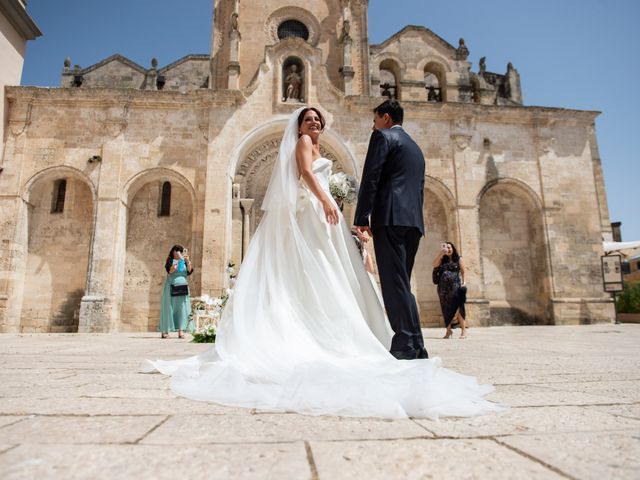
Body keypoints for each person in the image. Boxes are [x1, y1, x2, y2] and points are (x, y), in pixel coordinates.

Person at [142, 107, 503, 419]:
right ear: (299, 126)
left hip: (322, 213)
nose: (313, 123)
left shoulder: (316, 144)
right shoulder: (302, 145)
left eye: (317, 119)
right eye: (308, 119)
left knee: (329, 272)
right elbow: (306, 176)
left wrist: (336, 195)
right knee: (317, 269)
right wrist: (329, 200)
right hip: (314, 211)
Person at [353, 99, 428, 361]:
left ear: (385, 118)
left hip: (390, 218)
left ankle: (404, 344)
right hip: (413, 223)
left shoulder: (383, 137)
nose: (374, 126)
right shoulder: (415, 148)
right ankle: (417, 342)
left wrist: (362, 215)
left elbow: (371, 176)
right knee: (402, 283)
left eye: (375, 120)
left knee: (393, 283)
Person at [433, 242, 467, 339]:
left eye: (449, 247)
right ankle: (448, 331)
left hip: (455, 287)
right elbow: (434, 265)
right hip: (442, 289)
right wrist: (441, 253)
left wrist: (464, 283)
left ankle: (463, 331)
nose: (448, 249)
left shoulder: (458, 259)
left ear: (453, 248)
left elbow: (464, 272)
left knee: (459, 308)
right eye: (446, 248)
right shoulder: (442, 260)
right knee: (445, 309)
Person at [159, 244, 194, 339]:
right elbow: (169, 271)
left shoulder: (184, 260)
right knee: (168, 308)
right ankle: (165, 330)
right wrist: (174, 267)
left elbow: (189, 271)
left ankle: (181, 331)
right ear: (173, 251)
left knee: (182, 308)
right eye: (176, 251)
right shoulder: (170, 260)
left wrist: (188, 262)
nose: (178, 253)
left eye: (180, 251)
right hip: (171, 286)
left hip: (182, 286)